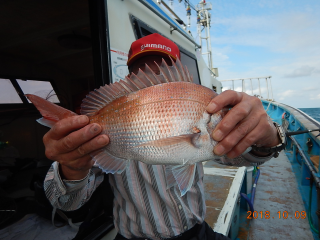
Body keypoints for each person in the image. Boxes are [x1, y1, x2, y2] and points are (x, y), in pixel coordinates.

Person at [43, 33, 282, 240]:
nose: (155, 78)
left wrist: (267, 138)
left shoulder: (208, 112)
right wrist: (72, 169)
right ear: (128, 79)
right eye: (143, 73)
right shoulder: (99, 136)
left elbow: (241, 158)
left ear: (179, 76)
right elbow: (64, 202)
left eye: (164, 72)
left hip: (194, 232)